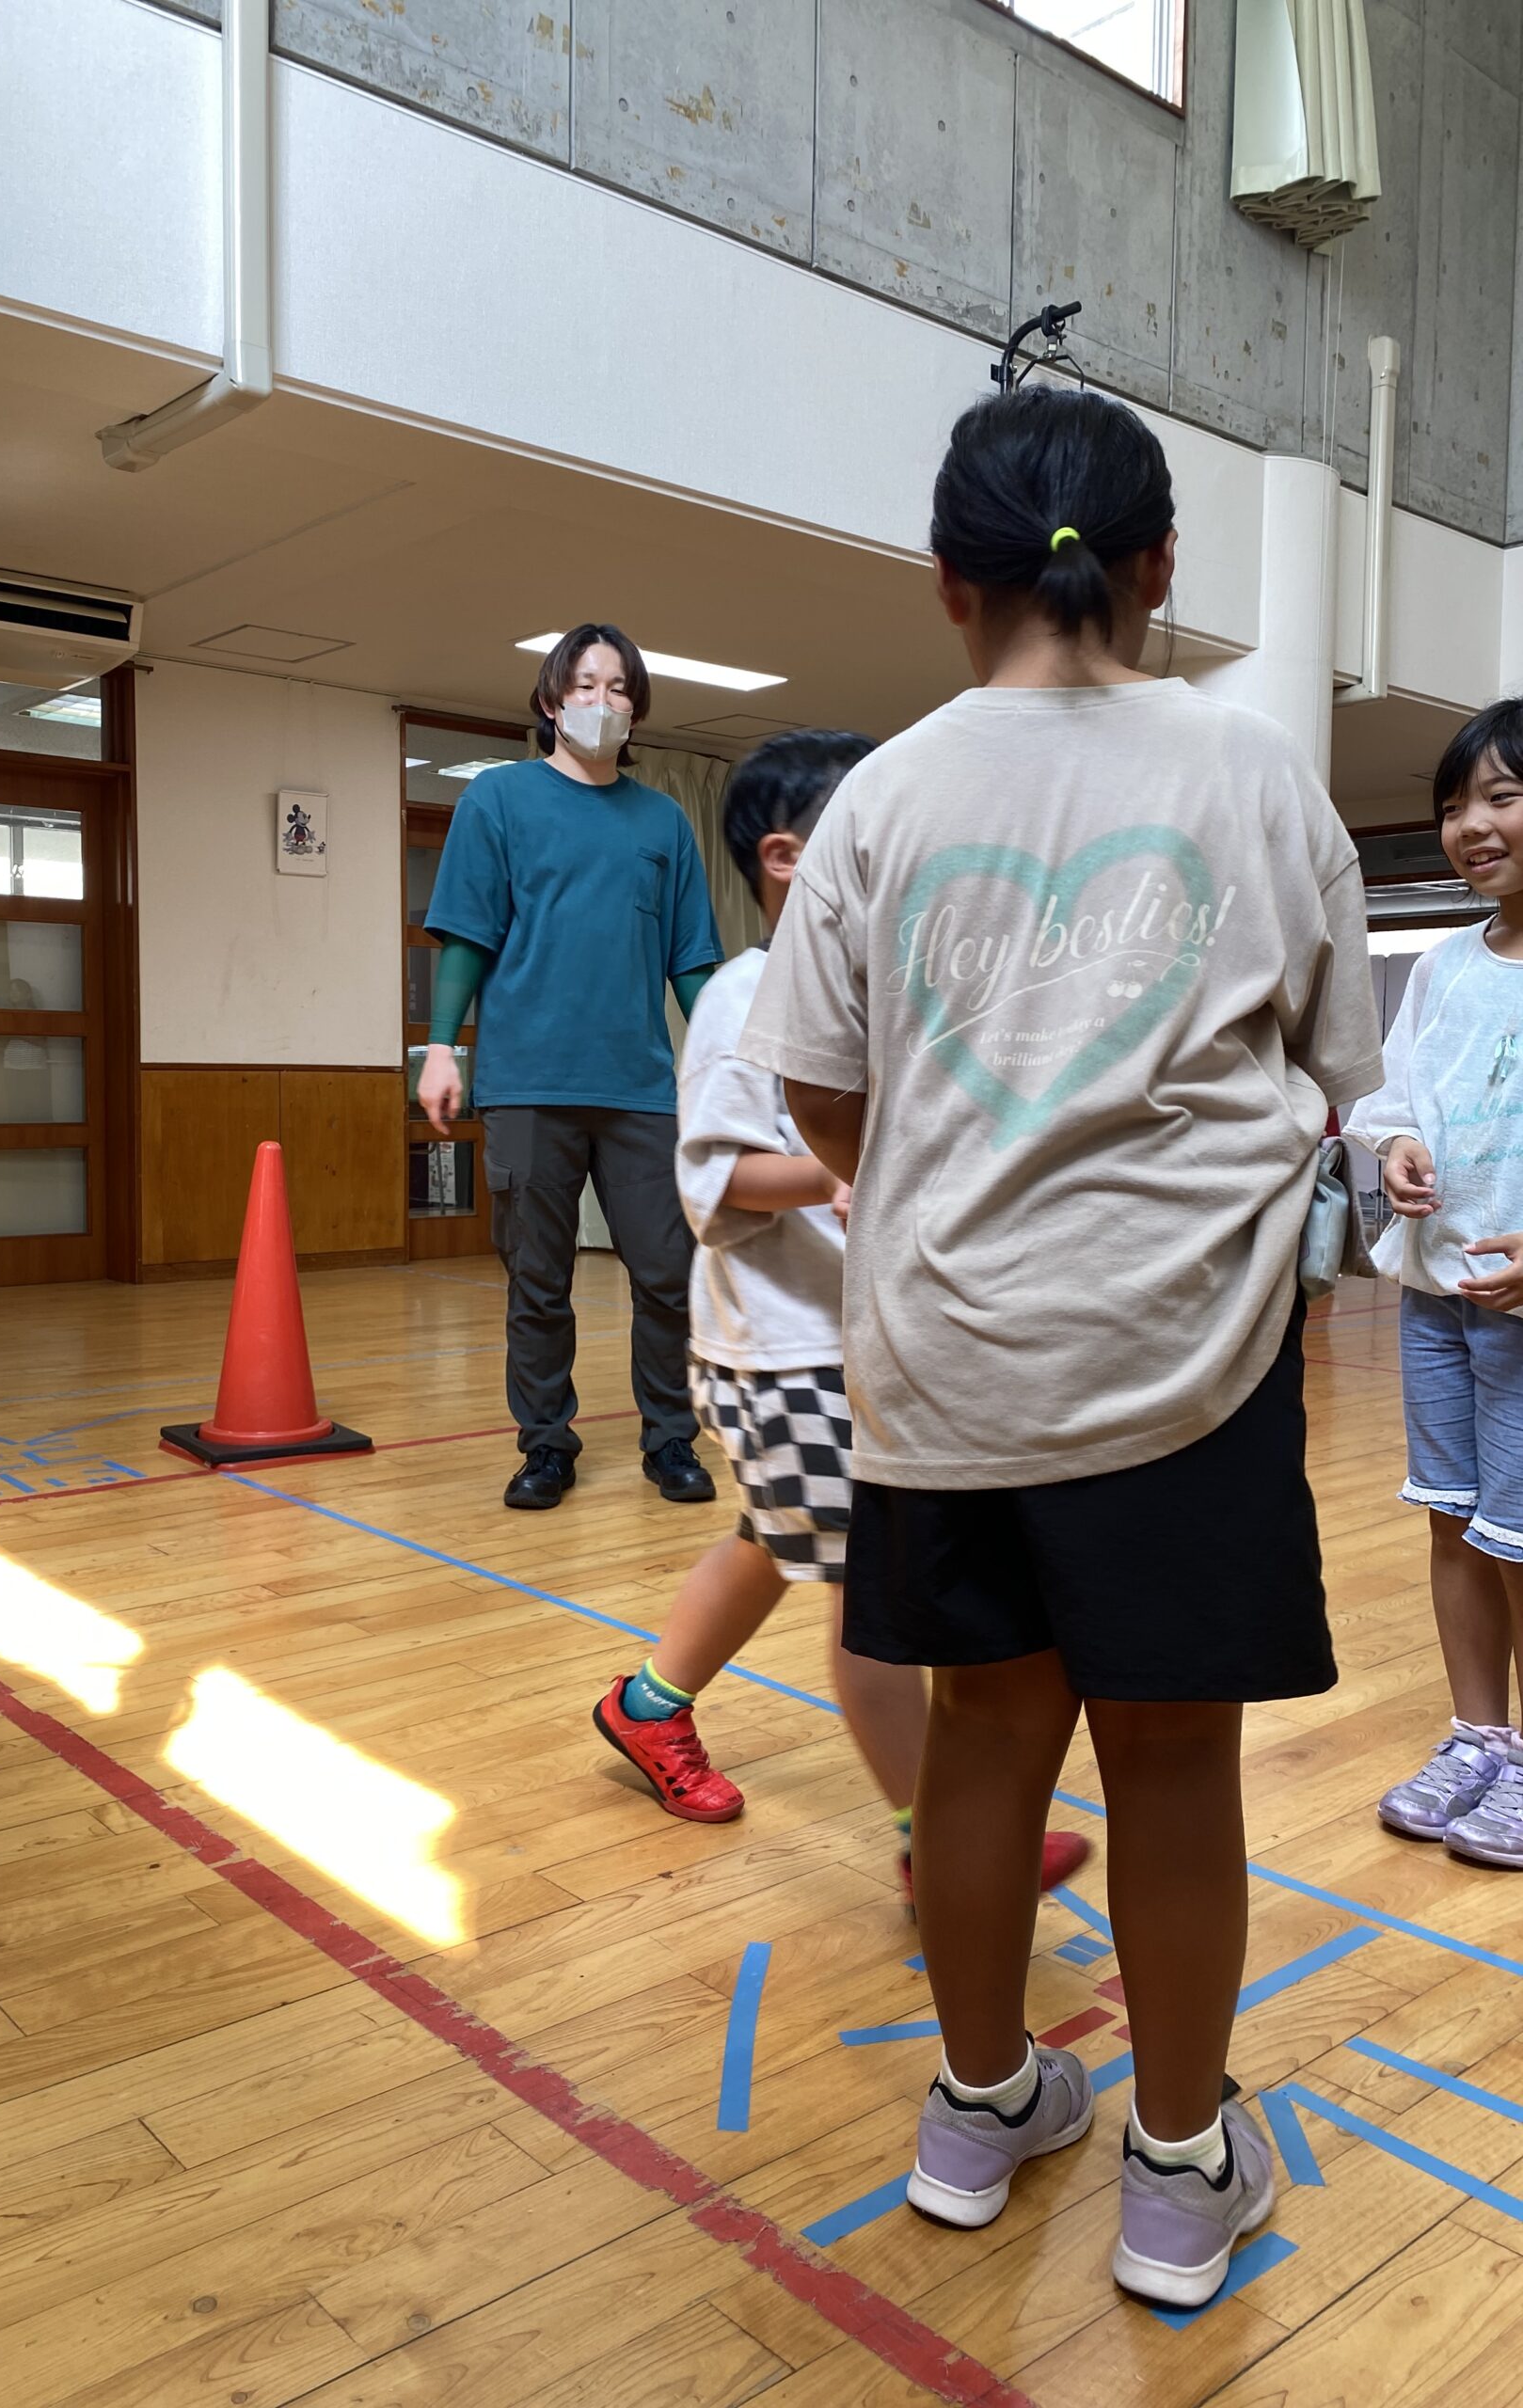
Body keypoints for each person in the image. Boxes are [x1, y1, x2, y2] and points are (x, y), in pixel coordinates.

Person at [740, 385, 1382, 2309]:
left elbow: (823, 1096)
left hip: (948, 1354)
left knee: (982, 1740)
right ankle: (1179, 2177)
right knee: (1173, 1764)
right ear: (1159, 567)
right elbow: (1333, 1072)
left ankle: (978, 2107)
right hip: (1189, 1355)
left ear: (950, 582)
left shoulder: (881, 797)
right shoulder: (1261, 775)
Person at [593, 728, 1090, 1902]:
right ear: (787, 858)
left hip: (859, 1344)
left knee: (775, 1540)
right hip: (785, 1352)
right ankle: (935, 1839)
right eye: (877, 832)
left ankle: (647, 1704)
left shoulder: (884, 996)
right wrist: (834, 1173)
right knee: (874, 1590)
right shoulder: (746, 995)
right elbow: (716, 1177)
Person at [420, 625, 724, 1510]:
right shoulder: (498, 800)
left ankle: (672, 1439)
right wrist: (441, 1047)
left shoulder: (664, 821)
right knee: (539, 1283)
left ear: (636, 709)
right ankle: (547, 1445)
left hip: (639, 1090)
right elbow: (467, 936)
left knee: (667, 1275)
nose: (603, 701)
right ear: (552, 701)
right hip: (527, 1084)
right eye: (586, 685)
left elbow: (692, 962)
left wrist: (733, 1060)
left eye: (619, 687)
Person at [1347, 702, 1523, 1864]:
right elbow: (1392, 1091)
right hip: (1434, 1298)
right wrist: (1397, 1140)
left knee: (1522, 1537)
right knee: (1455, 1521)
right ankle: (1480, 1738)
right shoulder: (1446, 966)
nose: (1470, 825)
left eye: (1501, 797)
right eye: (1455, 806)